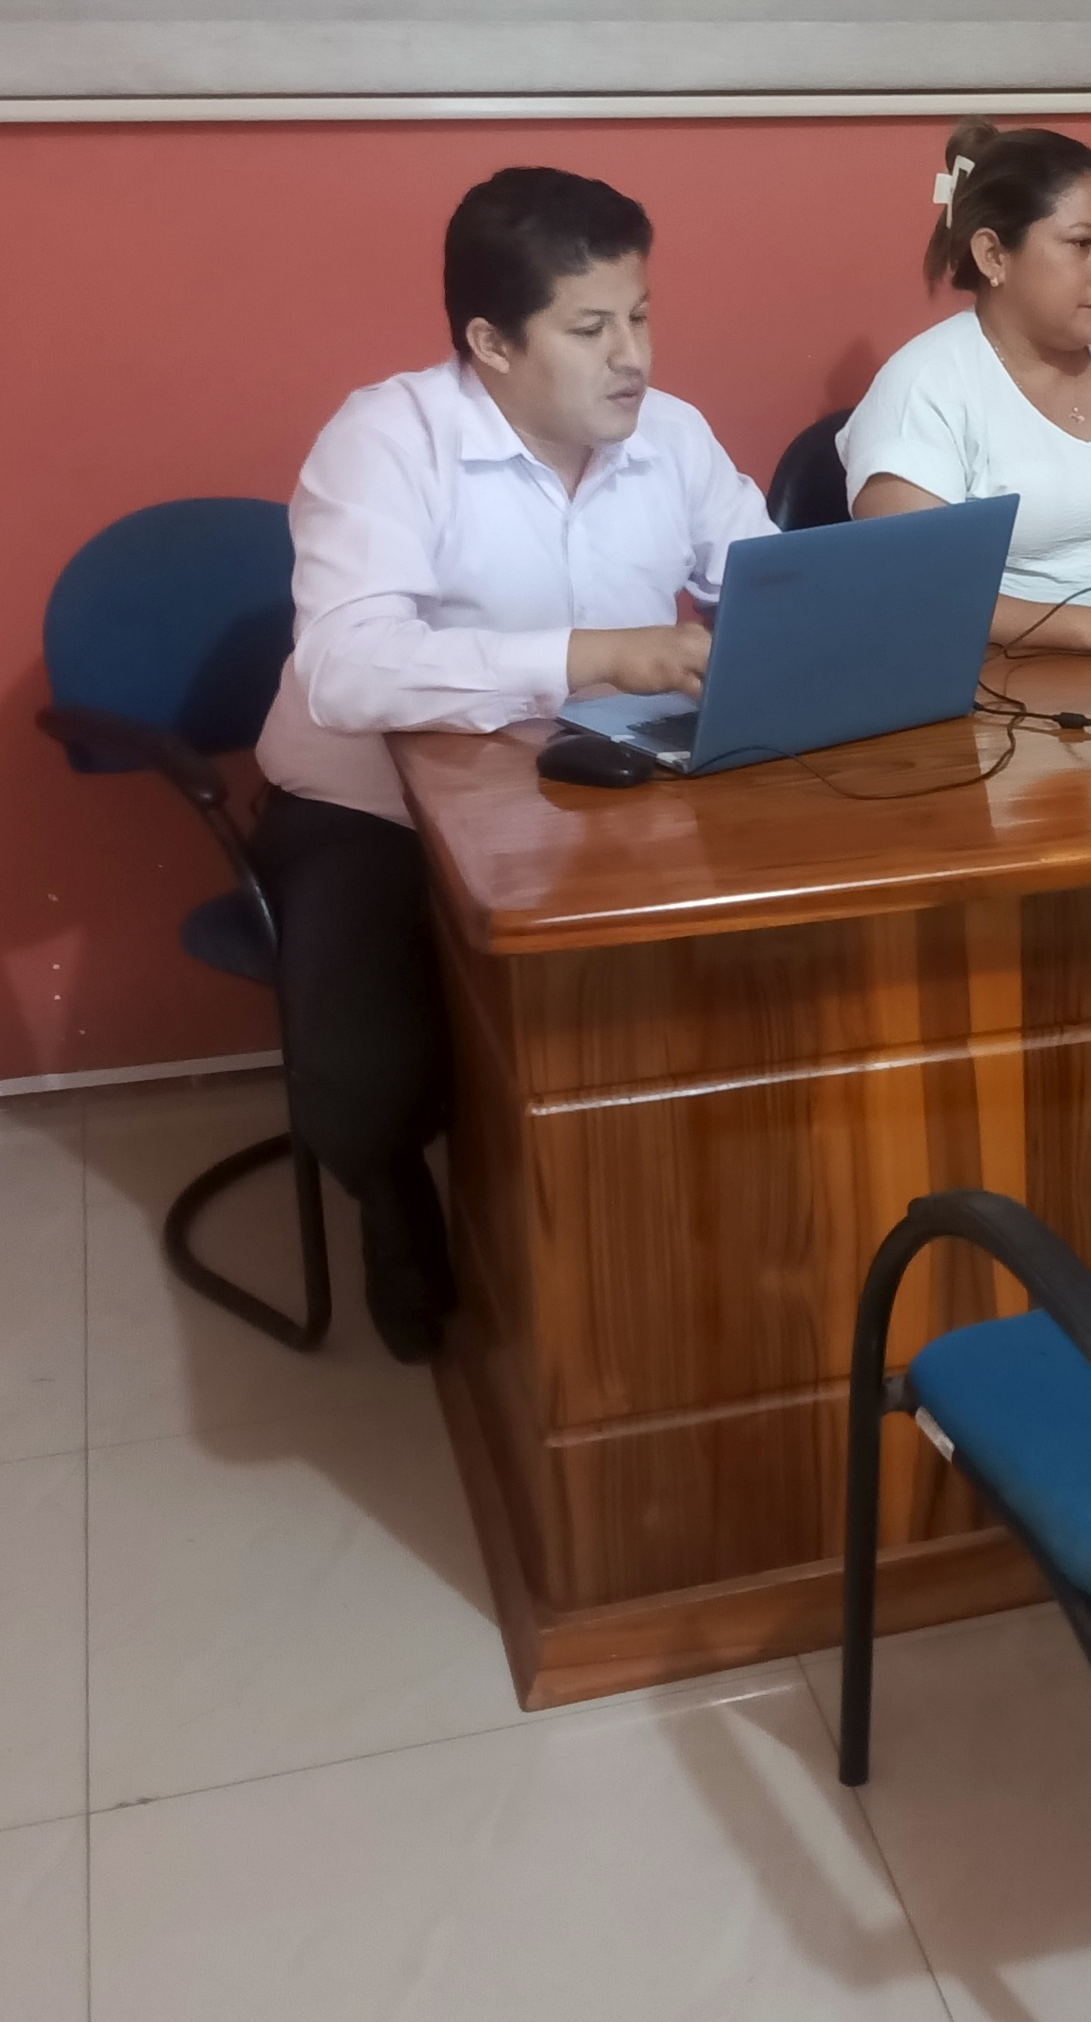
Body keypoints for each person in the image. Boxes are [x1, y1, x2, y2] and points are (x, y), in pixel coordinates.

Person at [253, 167, 773, 1359]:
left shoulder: (674, 437)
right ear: (490, 342)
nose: (632, 358)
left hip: (606, 791)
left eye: (640, 315)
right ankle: (392, 1188)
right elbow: (346, 668)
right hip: (372, 810)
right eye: (590, 330)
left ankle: (650, 1231)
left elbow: (768, 580)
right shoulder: (387, 440)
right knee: (367, 1084)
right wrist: (588, 654)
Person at [839, 121, 1091, 662]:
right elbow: (919, 588)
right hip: (996, 684)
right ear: (993, 256)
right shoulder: (926, 383)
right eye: (1081, 245)